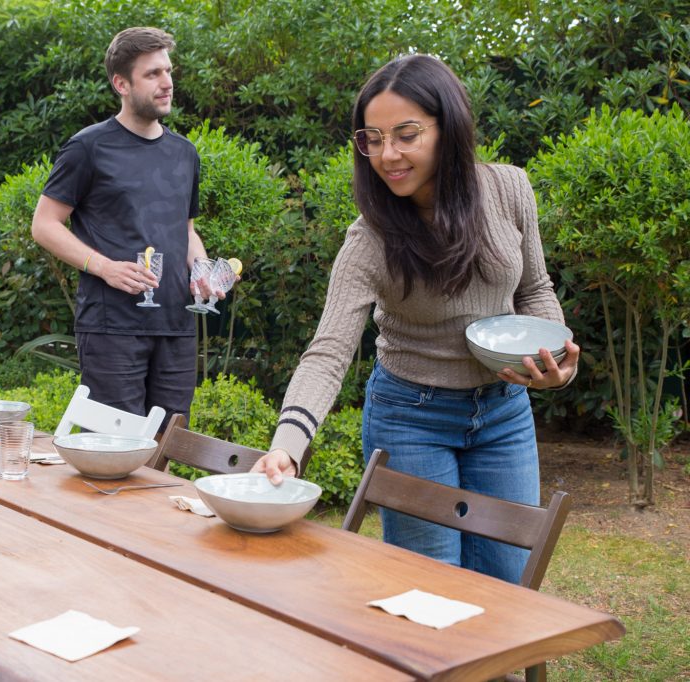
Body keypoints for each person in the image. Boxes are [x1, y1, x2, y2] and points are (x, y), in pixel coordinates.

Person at [251, 55, 580, 584]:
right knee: (429, 586)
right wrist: (287, 448)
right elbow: (329, 350)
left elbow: (535, 290)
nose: (387, 155)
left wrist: (557, 359)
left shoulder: (510, 189)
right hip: (410, 419)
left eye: (406, 135)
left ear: (447, 128)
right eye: (372, 139)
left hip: (504, 413)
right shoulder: (370, 239)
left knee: (506, 580)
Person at [31, 26, 218, 428]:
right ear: (121, 83)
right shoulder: (88, 148)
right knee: (116, 453)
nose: (167, 83)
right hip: (112, 328)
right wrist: (104, 266)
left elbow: (185, 232)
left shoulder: (185, 154)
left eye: (168, 71)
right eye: (152, 74)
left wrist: (202, 269)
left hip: (177, 327)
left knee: (167, 446)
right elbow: (44, 224)